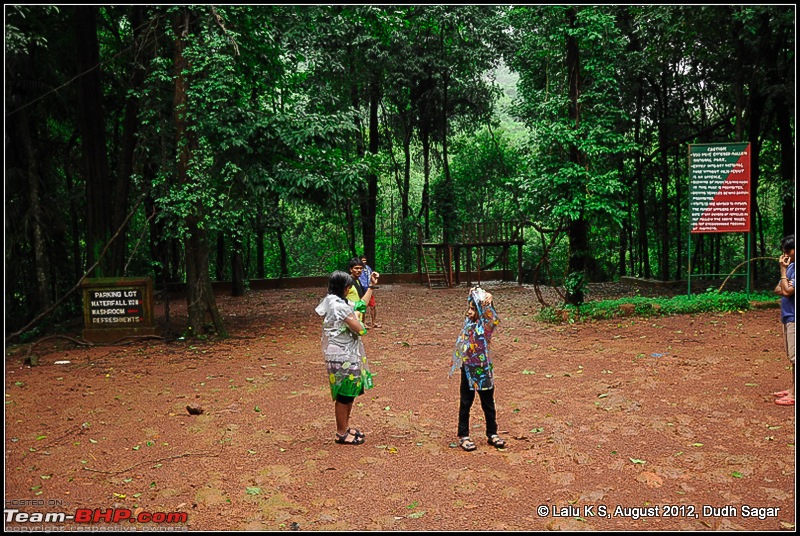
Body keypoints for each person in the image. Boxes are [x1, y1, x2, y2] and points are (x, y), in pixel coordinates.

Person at [315, 269, 380, 445]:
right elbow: (361, 329)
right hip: (341, 354)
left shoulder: (334, 301)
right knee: (344, 394)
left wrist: (372, 286)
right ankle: (341, 432)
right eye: (348, 287)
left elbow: (359, 305)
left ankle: (345, 426)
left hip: (344, 352)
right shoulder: (339, 306)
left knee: (349, 391)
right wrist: (359, 319)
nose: (350, 290)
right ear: (342, 288)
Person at [449, 286, 506, 451]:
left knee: (488, 403)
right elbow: (472, 297)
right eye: (469, 308)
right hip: (468, 369)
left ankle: (492, 433)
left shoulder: (485, 327)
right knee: (465, 402)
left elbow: (491, 316)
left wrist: (489, 299)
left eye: (473, 309)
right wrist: (475, 292)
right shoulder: (468, 323)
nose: (469, 312)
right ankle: (464, 435)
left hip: (484, 370)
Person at [773, 235, 795, 406]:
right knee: (791, 356)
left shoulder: (788, 268)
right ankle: (793, 388)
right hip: (787, 315)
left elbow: (786, 291)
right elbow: (778, 289)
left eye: (788, 251)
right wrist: (785, 282)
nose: (785, 254)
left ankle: (794, 394)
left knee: (796, 356)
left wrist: (782, 271)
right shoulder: (791, 267)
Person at [360, 255, 381, 328]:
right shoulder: (359, 269)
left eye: (365, 260)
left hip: (369, 289)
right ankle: (363, 323)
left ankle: (373, 322)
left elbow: (372, 276)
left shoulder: (368, 268)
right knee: (362, 307)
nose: (364, 262)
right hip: (362, 291)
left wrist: (373, 283)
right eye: (362, 260)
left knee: (373, 306)